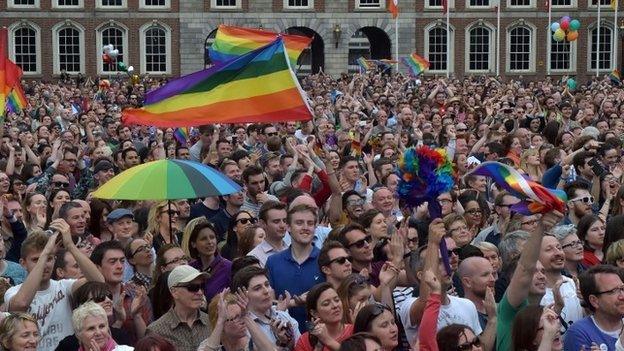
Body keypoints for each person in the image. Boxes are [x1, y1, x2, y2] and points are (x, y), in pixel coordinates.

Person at [4, 221, 105, 351]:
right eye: (36, 259)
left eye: (50, 259)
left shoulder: (65, 286)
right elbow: (21, 304)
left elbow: (99, 281)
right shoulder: (13, 292)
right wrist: (46, 253)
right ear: (23, 263)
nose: (45, 264)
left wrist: (70, 246)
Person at [266, 204, 324, 331]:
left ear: (315, 227)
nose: (305, 228)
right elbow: (267, 304)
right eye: (299, 223)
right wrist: (293, 303)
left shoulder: (325, 259)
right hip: (284, 335)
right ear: (288, 227)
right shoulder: (273, 262)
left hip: (320, 336)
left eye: (310, 223)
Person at [231, 265, 300, 348]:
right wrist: (282, 344)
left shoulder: (284, 316)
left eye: (267, 285)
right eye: (257, 288)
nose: (266, 291)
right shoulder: (241, 327)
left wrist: (290, 344)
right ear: (242, 295)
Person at [146, 265, 211, 351]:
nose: (199, 292)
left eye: (202, 286)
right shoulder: (156, 331)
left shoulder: (212, 322)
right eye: (192, 287)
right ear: (174, 292)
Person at [564, 265, 624, 350]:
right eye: (613, 291)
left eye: (622, 288)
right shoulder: (580, 333)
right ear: (594, 301)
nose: (622, 296)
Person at [199, 290, 276, 351]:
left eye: (241, 315)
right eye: (235, 317)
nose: (242, 322)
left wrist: (246, 315)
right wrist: (220, 321)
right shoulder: (208, 345)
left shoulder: (252, 343)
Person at [294, 282, 354, 351]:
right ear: (314, 313)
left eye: (337, 300)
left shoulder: (355, 331)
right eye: (326, 304)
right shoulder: (304, 341)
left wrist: (328, 340)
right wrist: (318, 348)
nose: (335, 305)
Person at [185, 220, 232, 303]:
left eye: (212, 237)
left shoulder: (229, 268)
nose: (210, 242)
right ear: (193, 244)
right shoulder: (190, 269)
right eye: (204, 239)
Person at [248, 201, 288, 267]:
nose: (282, 225)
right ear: (262, 223)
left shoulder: (294, 249)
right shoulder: (255, 257)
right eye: (276, 221)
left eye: (285, 221)